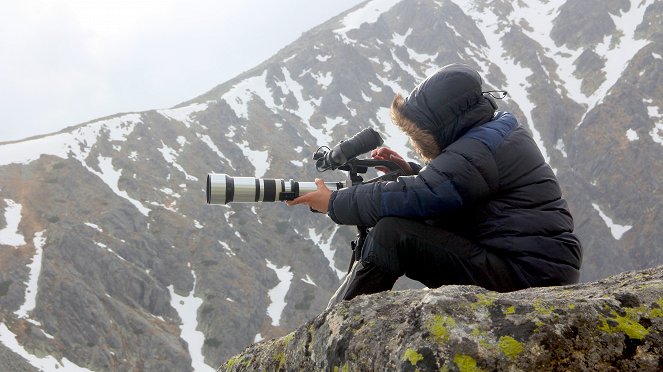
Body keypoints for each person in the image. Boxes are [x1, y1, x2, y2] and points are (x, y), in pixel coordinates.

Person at [286, 63, 582, 306]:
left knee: (393, 234)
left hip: (527, 277)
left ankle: (342, 325)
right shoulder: (494, 134)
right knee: (401, 213)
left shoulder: (480, 150)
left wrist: (334, 203)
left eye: (420, 136)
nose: (417, 143)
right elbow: (452, 189)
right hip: (531, 266)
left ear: (442, 126)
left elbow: (427, 193)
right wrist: (409, 170)